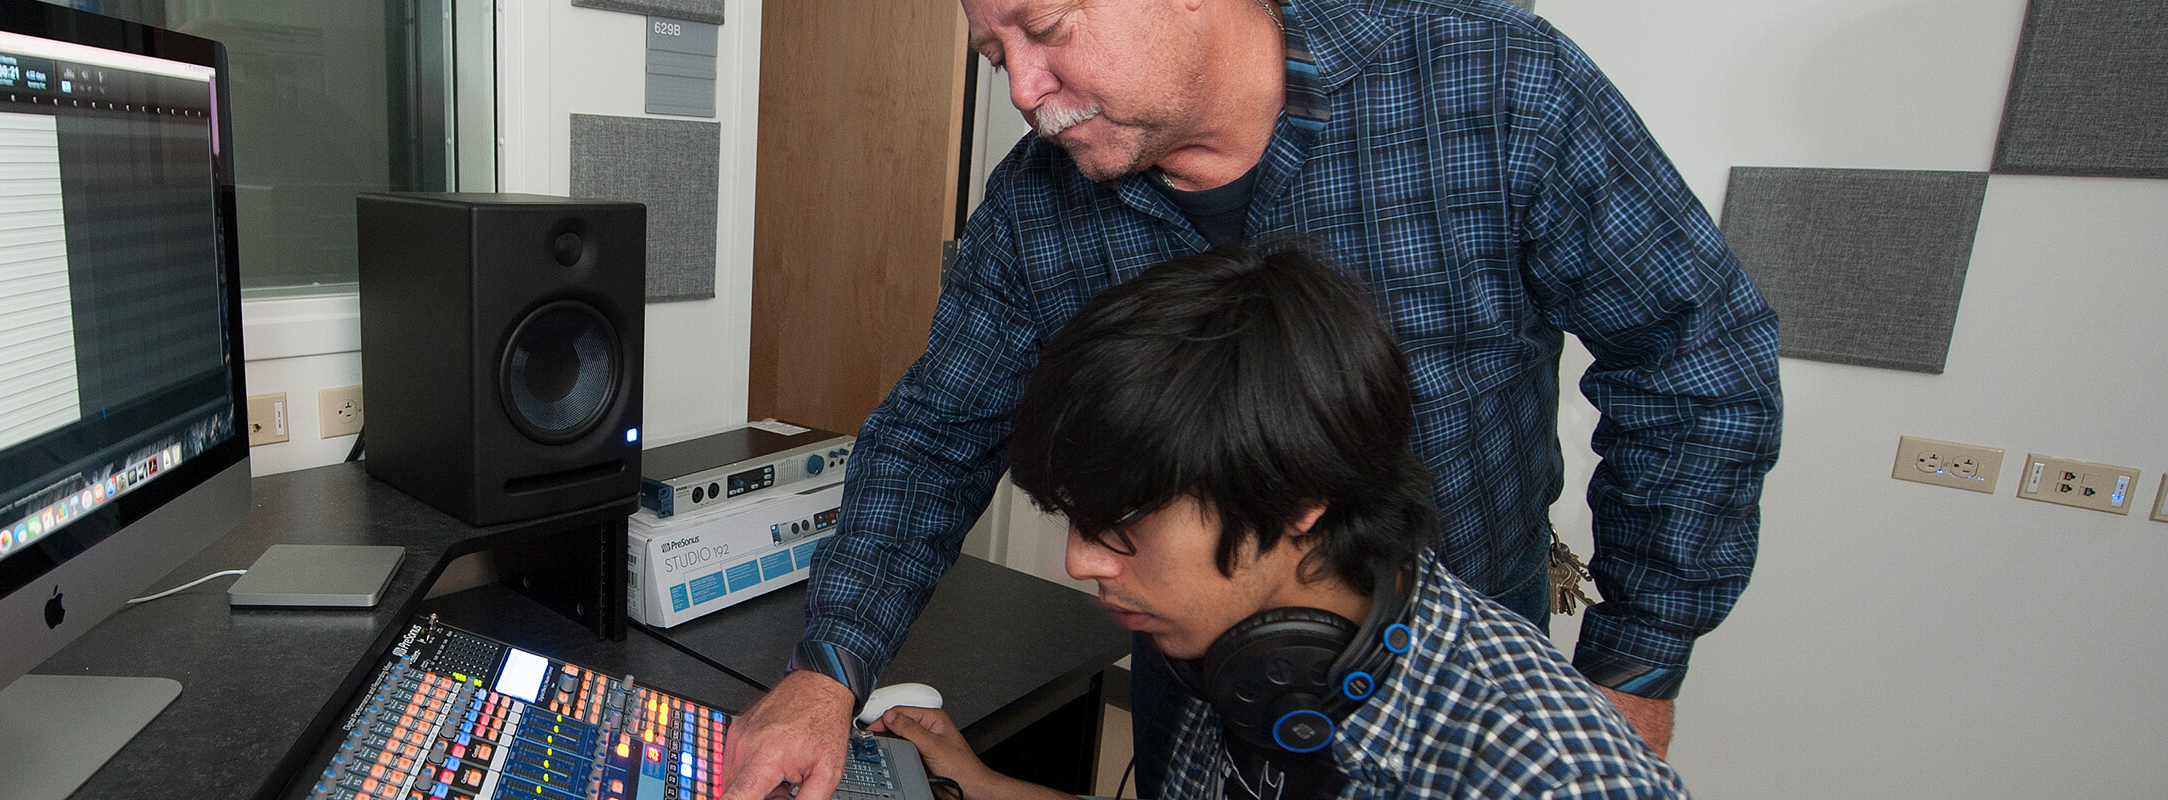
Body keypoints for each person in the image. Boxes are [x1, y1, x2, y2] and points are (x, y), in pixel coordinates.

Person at [727, 1, 1779, 798]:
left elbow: (1698, 362)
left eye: (1047, 30)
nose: (1025, 92)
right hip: (1208, 648)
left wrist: (1636, 664)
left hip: (1451, 656)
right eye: (999, 56)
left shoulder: (1495, 85)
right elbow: (931, 441)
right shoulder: (1032, 217)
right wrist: (829, 666)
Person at [868, 245, 1683, 800]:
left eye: (1121, 525)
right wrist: (982, 785)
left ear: (1296, 493)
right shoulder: (1246, 642)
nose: (1081, 562)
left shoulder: (1552, 774)